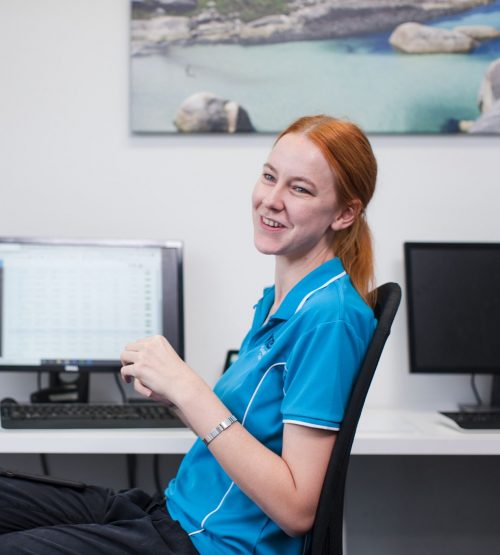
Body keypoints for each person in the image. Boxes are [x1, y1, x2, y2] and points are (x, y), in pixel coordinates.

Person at [0, 115, 378, 554]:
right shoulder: (280, 300)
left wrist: (189, 388)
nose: (270, 200)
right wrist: (173, 393)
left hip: (207, 543)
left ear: (346, 213)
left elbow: (298, 510)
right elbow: (248, 427)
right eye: (269, 177)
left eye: (299, 189)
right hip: (171, 513)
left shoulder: (329, 317)